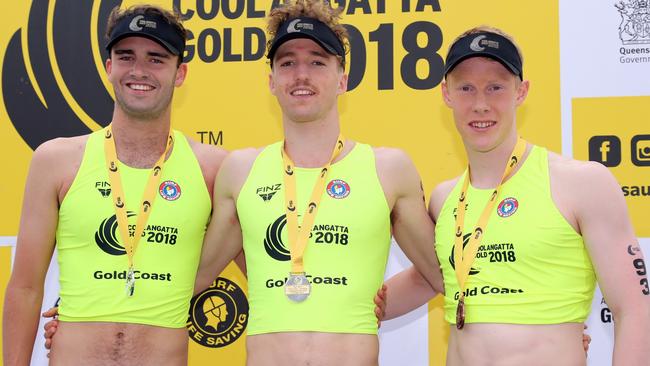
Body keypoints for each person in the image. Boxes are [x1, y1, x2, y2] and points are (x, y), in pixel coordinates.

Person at [381, 26, 650, 365]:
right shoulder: (444, 198)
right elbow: (429, 277)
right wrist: (353, 304)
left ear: (521, 91)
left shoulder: (581, 183)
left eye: (495, 87)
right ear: (446, 94)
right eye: (466, 88)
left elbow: (635, 310)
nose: (480, 104)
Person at [193, 1, 444, 365]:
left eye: (317, 61)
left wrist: (379, 302)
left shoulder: (387, 168)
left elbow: (439, 275)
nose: (301, 75)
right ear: (271, 81)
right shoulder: (241, 170)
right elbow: (198, 276)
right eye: (287, 63)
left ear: (342, 79)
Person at [2, 5, 228, 365]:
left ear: (180, 73)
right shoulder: (55, 160)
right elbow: (26, 288)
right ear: (109, 67)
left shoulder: (215, 168)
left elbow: (268, 273)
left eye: (156, 59)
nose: (139, 71)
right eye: (126, 57)